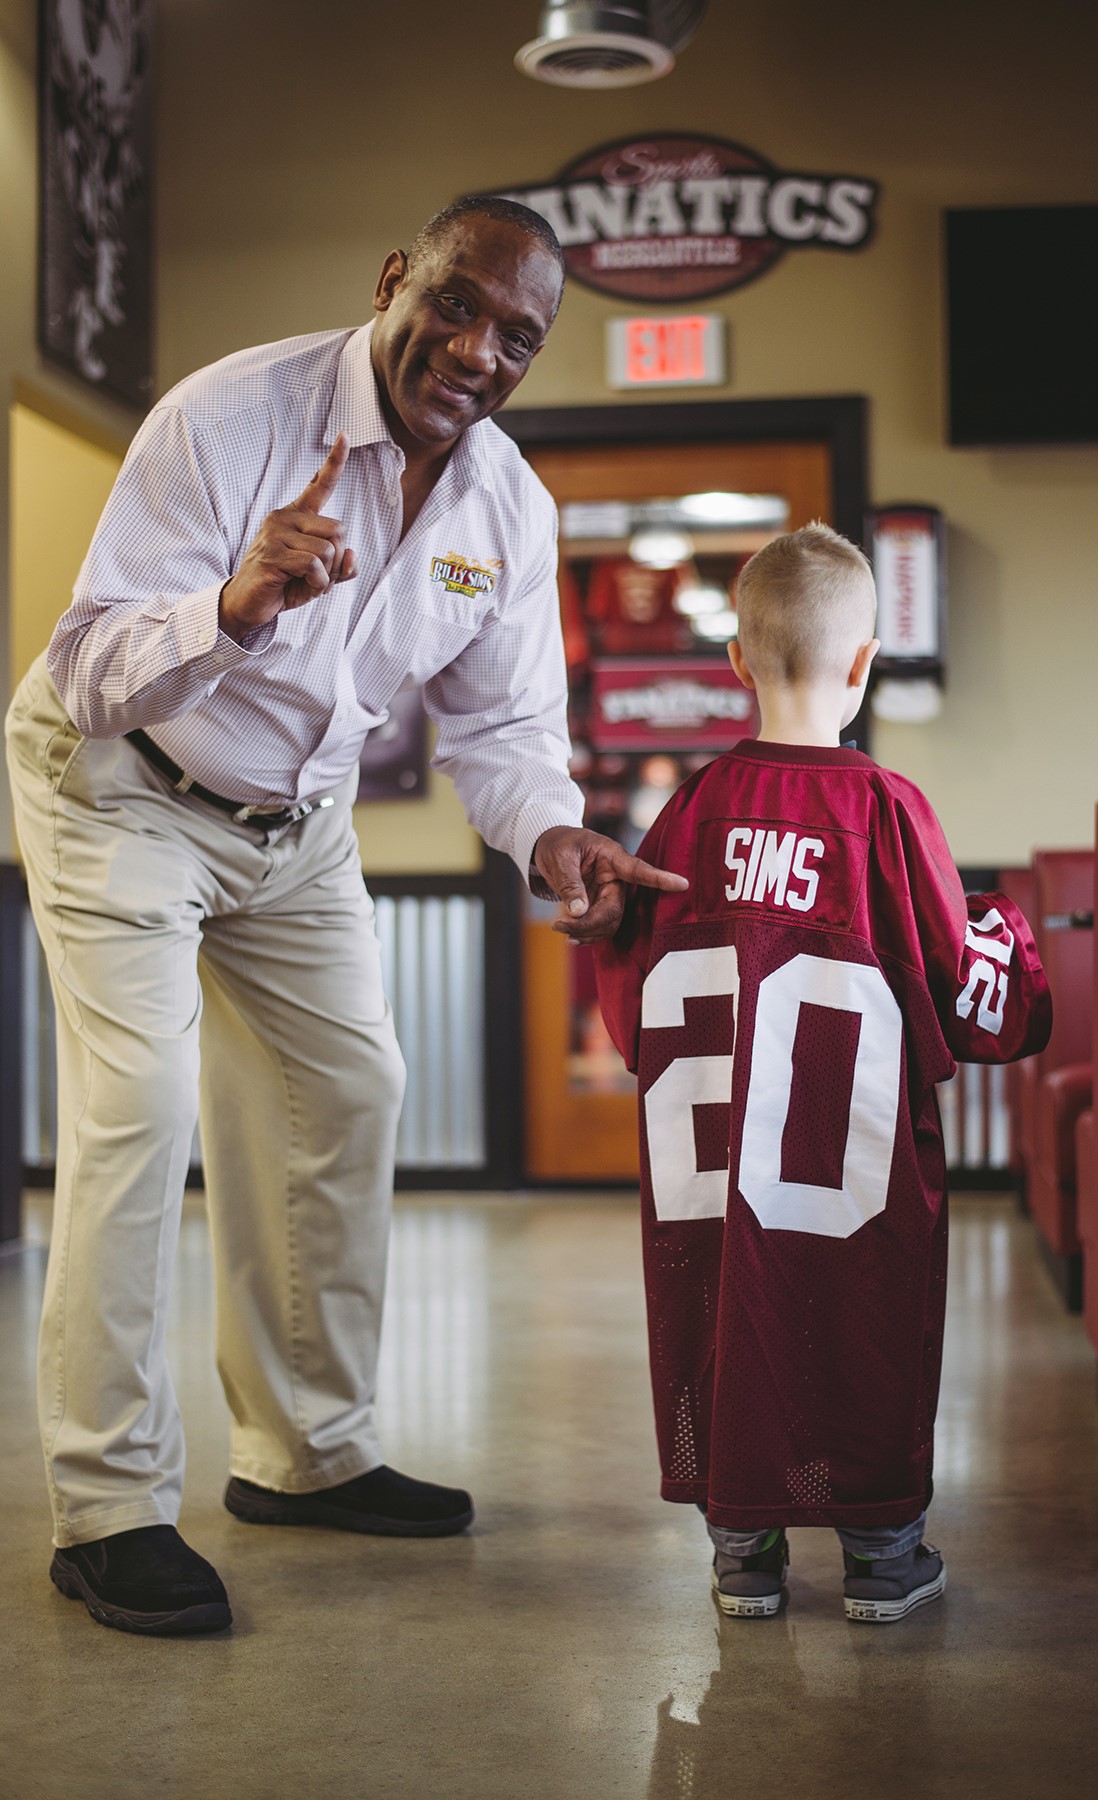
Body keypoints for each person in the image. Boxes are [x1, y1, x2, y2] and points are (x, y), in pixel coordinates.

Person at [5, 195, 685, 1638]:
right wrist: (233, 610)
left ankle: (305, 1455)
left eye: (518, 336)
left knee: (348, 1087)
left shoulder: (503, 505)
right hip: (122, 782)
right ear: (395, 281)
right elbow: (86, 666)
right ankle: (109, 1505)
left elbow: (502, 727)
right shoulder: (228, 420)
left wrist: (553, 834)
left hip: (294, 828)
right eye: (455, 303)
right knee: (143, 1106)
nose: (475, 348)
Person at [594, 524, 1050, 1622]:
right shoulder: (886, 812)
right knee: (863, 1326)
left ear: (736, 664)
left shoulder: (691, 811)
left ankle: (740, 1554)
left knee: (719, 1321)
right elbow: (975, 1001)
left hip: (709, 1181)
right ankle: (881, 1555)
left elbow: (633, 994)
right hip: (857, 1172)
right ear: (863, 662)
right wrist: (1012, 936)